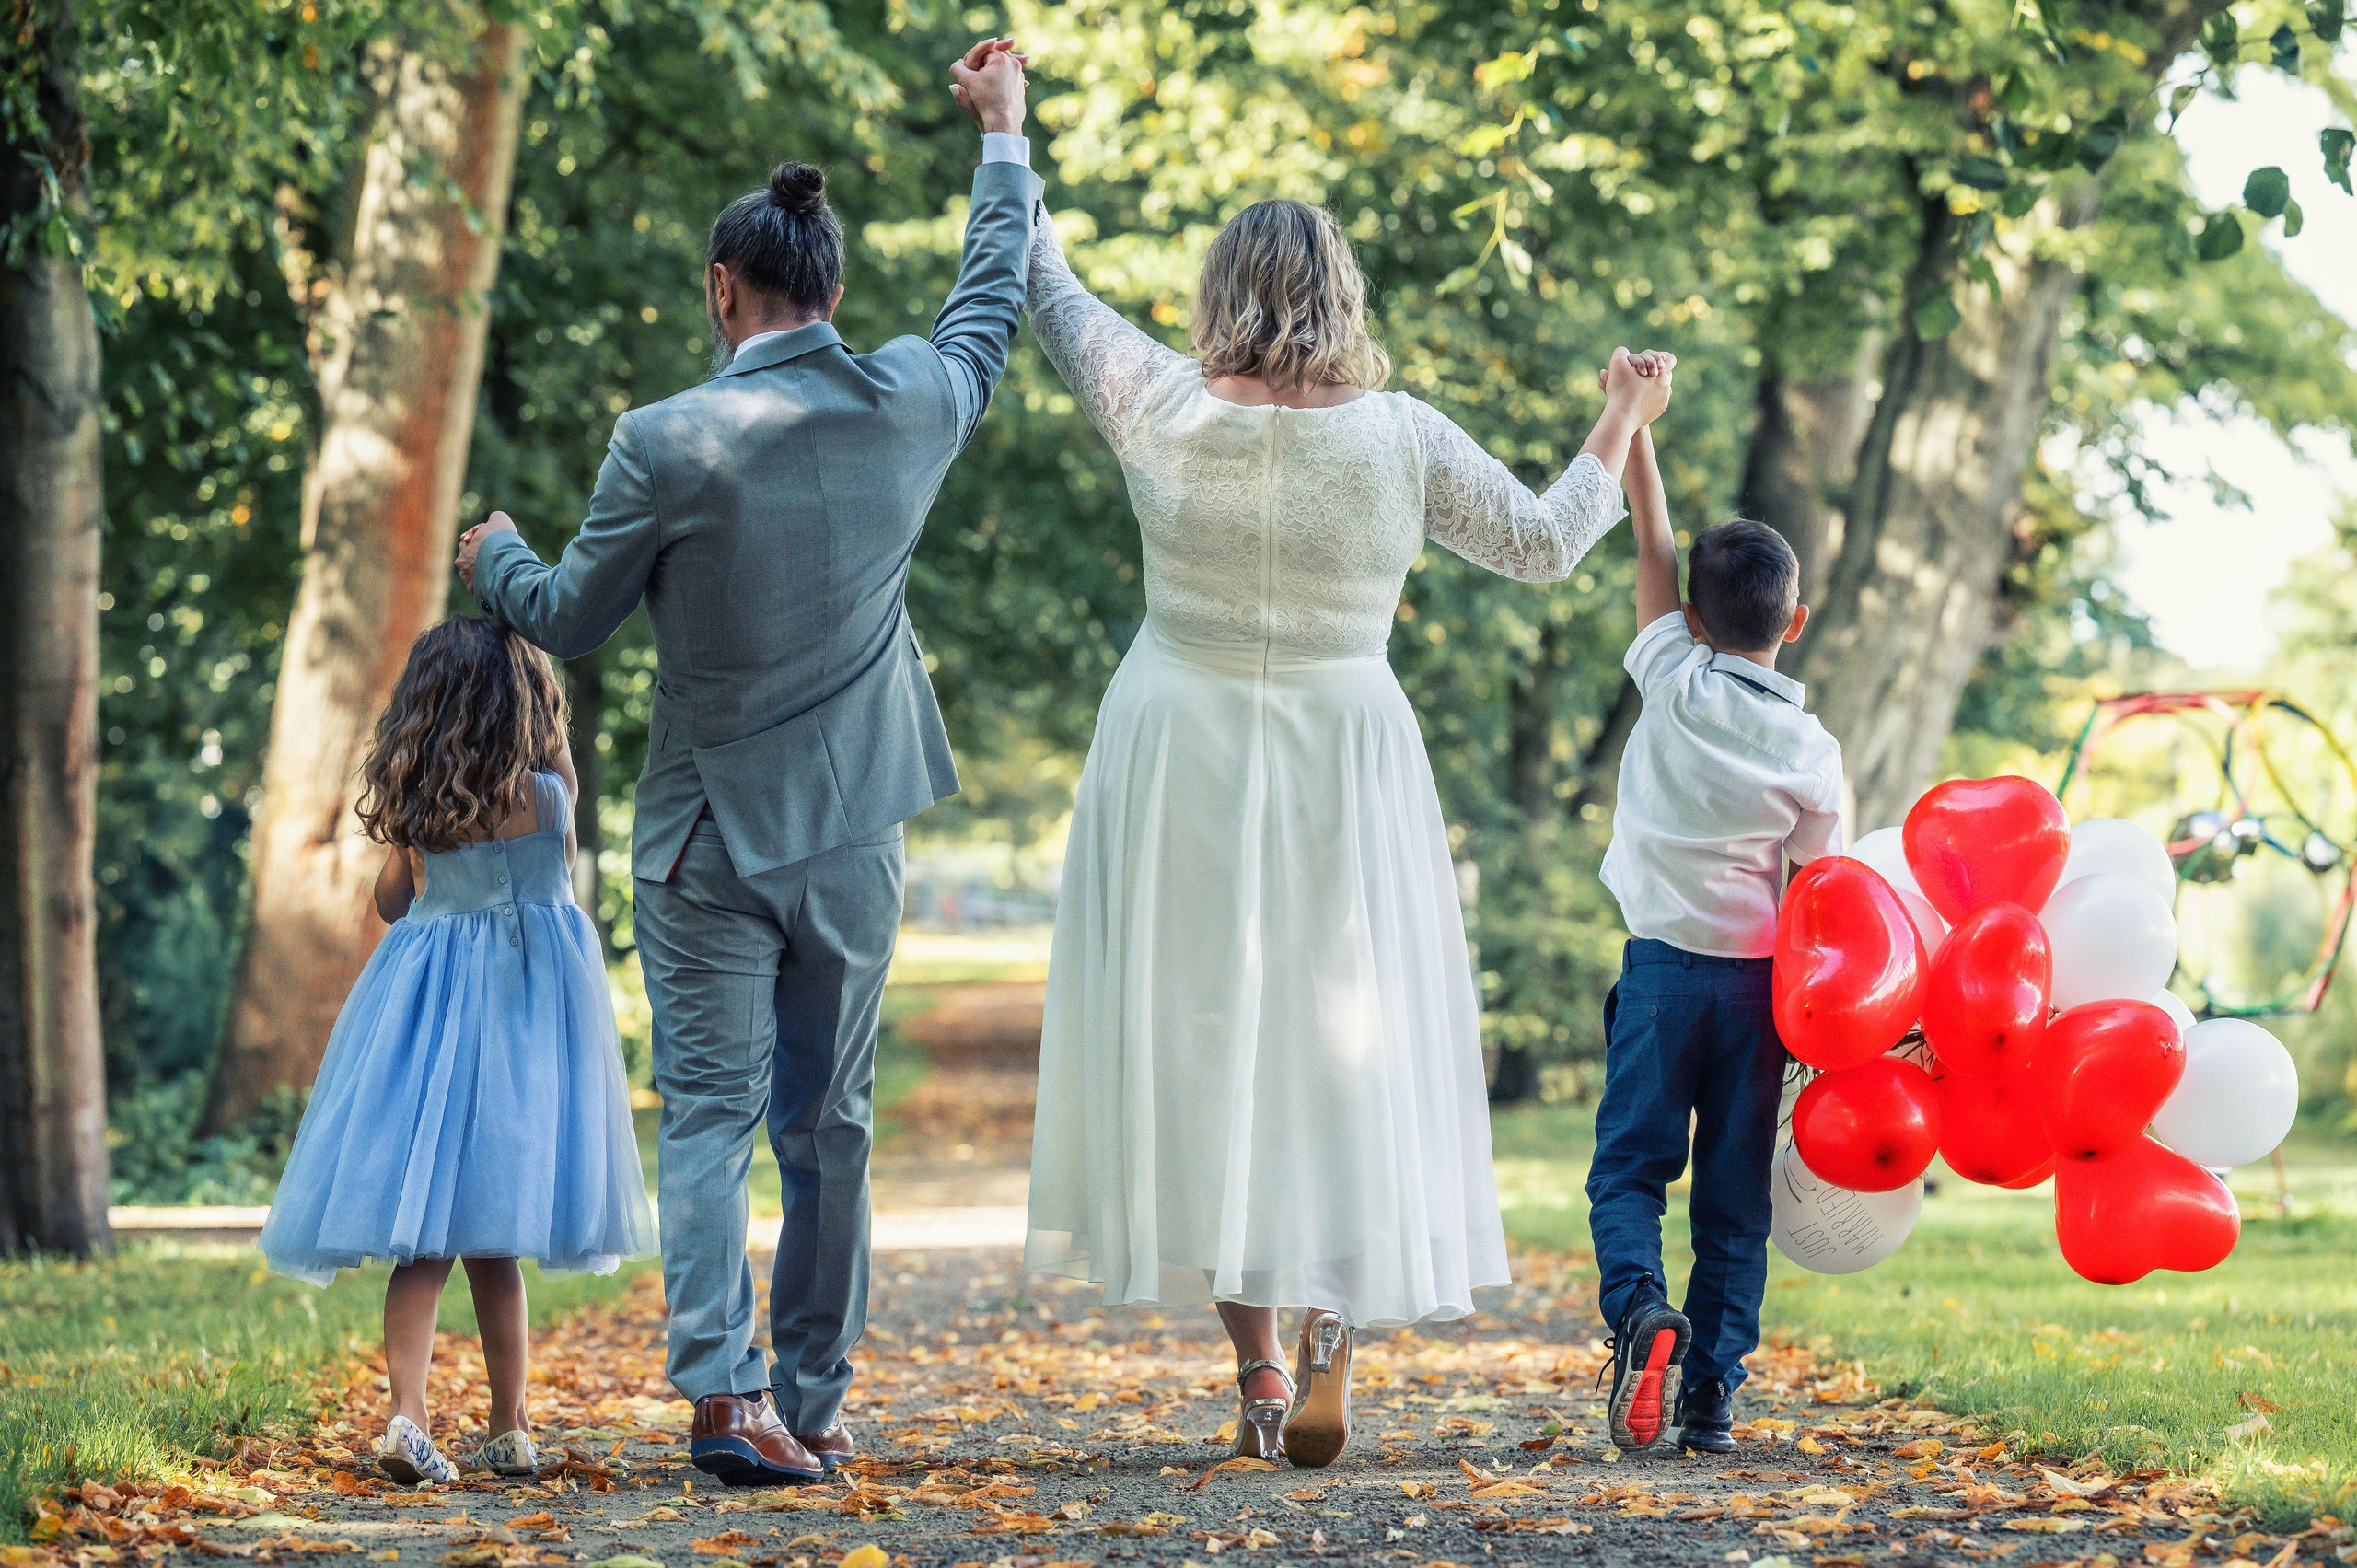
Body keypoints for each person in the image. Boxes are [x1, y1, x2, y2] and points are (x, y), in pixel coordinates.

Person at [454, 41, 1041, 1486]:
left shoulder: (664, 441)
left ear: (726, 291)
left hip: (703, 839)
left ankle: (723, 1400)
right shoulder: (911, 401)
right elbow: (988, 298)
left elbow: (569, 620)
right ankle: (817, 1398)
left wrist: (497, 555)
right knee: (829, 1124)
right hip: (851, 832)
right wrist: (1004, 137)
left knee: (712, 1120)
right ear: (833, 287)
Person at [1017, 191, 1676, 1468]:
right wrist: (1624, 415)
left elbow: (1052, 295)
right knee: (1340, 1045)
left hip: (1180, 744)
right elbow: (1544, 541)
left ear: (1220, 291)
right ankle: (1330, 1325)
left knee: (1207, 1047)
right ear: (1342, 294)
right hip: (1345, 751)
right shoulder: (1397, 435)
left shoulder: (1158, 399)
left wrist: (1010, 152)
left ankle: (1260, 1363)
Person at [259, 616, 656, 1486]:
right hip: (527, 1008)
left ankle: (409, 1416)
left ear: (426, 702)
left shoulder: (422, 794)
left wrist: (415, 850)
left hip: (432, 1006)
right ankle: (511, 1426)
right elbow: (554, 867)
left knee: (423, 1238)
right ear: (526, 695)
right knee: (495, 1240)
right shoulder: (553, 780)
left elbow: (396, 903)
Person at [1585, 409, 1843, 1454]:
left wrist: (1637, 423)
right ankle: (1711, 1400)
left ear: (1689, 618)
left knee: (1628, 1172)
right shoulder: (1812, 747)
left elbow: (1650, 540)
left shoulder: (1673, 677)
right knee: (1734, 1203)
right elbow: (1826, 897)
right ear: (1796, 620)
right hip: (1756, 995)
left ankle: (1643, 1311)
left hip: (1658, 978)